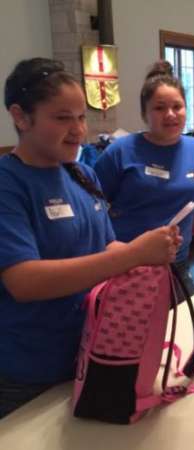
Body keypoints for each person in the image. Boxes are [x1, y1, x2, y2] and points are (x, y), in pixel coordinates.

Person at [0, 58, 181, 419]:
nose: (78, 130)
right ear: (21, 117)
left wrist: (145, 250)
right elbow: (24, 281)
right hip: (30, 373)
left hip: (93, 352)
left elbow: (106, 245)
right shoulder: (9, 184)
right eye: (62, 118)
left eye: (81, 117)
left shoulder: (82, 174)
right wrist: (130, 256)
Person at [94, 61, 194, 292]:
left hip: (176, 264)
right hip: (125, 265)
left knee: (179, 324)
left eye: (178, 106)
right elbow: (92, 208)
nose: (170, 114)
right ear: (144, 113)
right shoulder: (121, 151)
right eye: (159, 108)